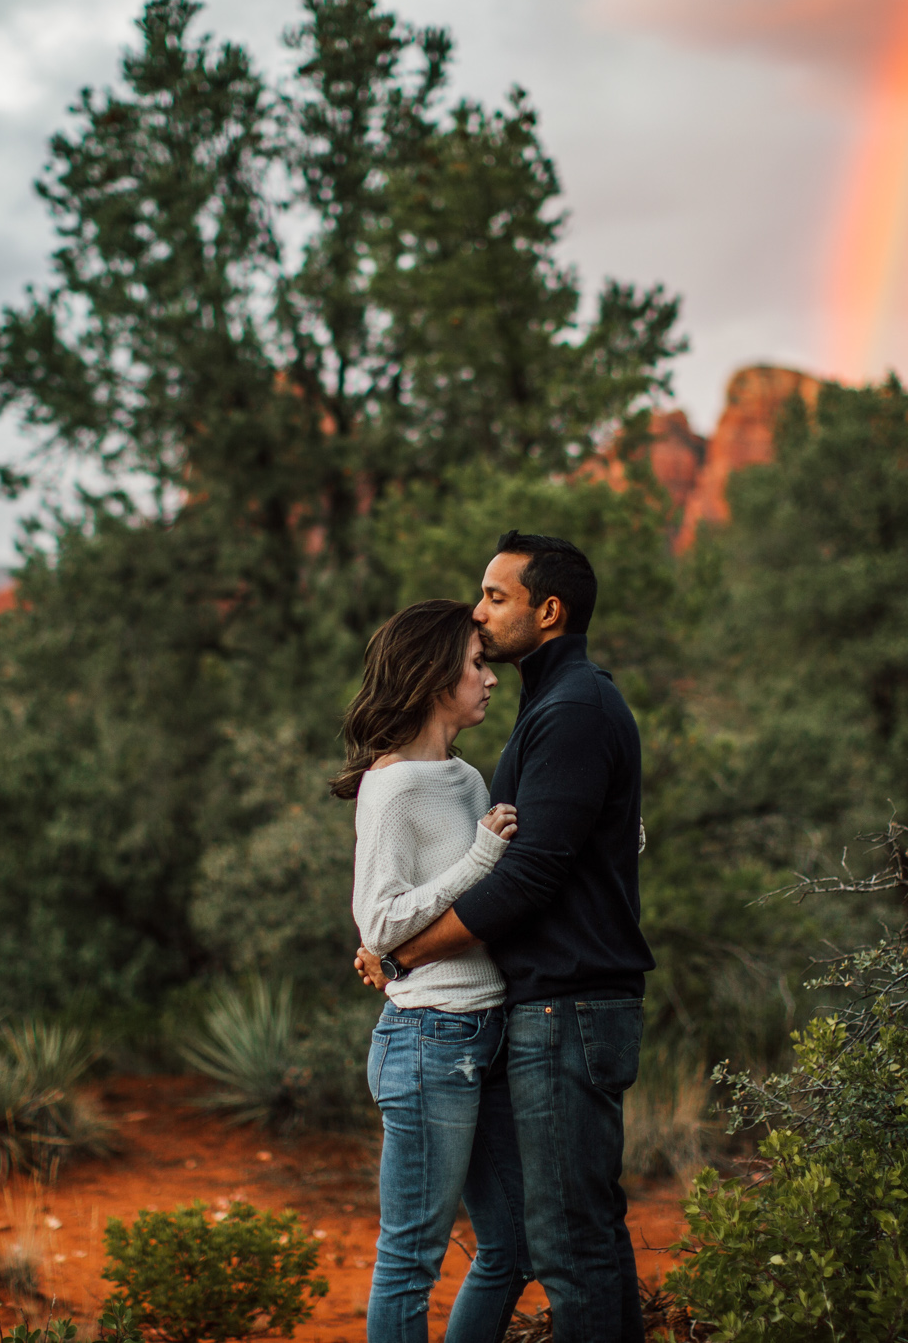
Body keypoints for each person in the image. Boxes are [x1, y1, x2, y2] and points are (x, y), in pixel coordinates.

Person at [357, 532, 654, 1343]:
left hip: (563, 1006)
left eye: (495, 596)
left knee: (561, 1241)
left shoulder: (571, 708)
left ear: (547, 610)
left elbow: (525, 877)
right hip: (511, 1015)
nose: (481, 616)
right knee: (572, 1231)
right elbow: (541, 853)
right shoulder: (556, 705)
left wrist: (404, 951)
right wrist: (393, 939)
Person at [333, 598, 534, 1343]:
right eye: (476, 665)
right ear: (432, 675)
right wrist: (479, 858)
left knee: (512, 1246)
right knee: (411, 1259)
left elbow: (508, 878)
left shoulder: (462, 775)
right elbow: (379, 923)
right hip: (429, 1041)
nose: (489, 679)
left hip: (488, 1035)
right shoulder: (392, 787)